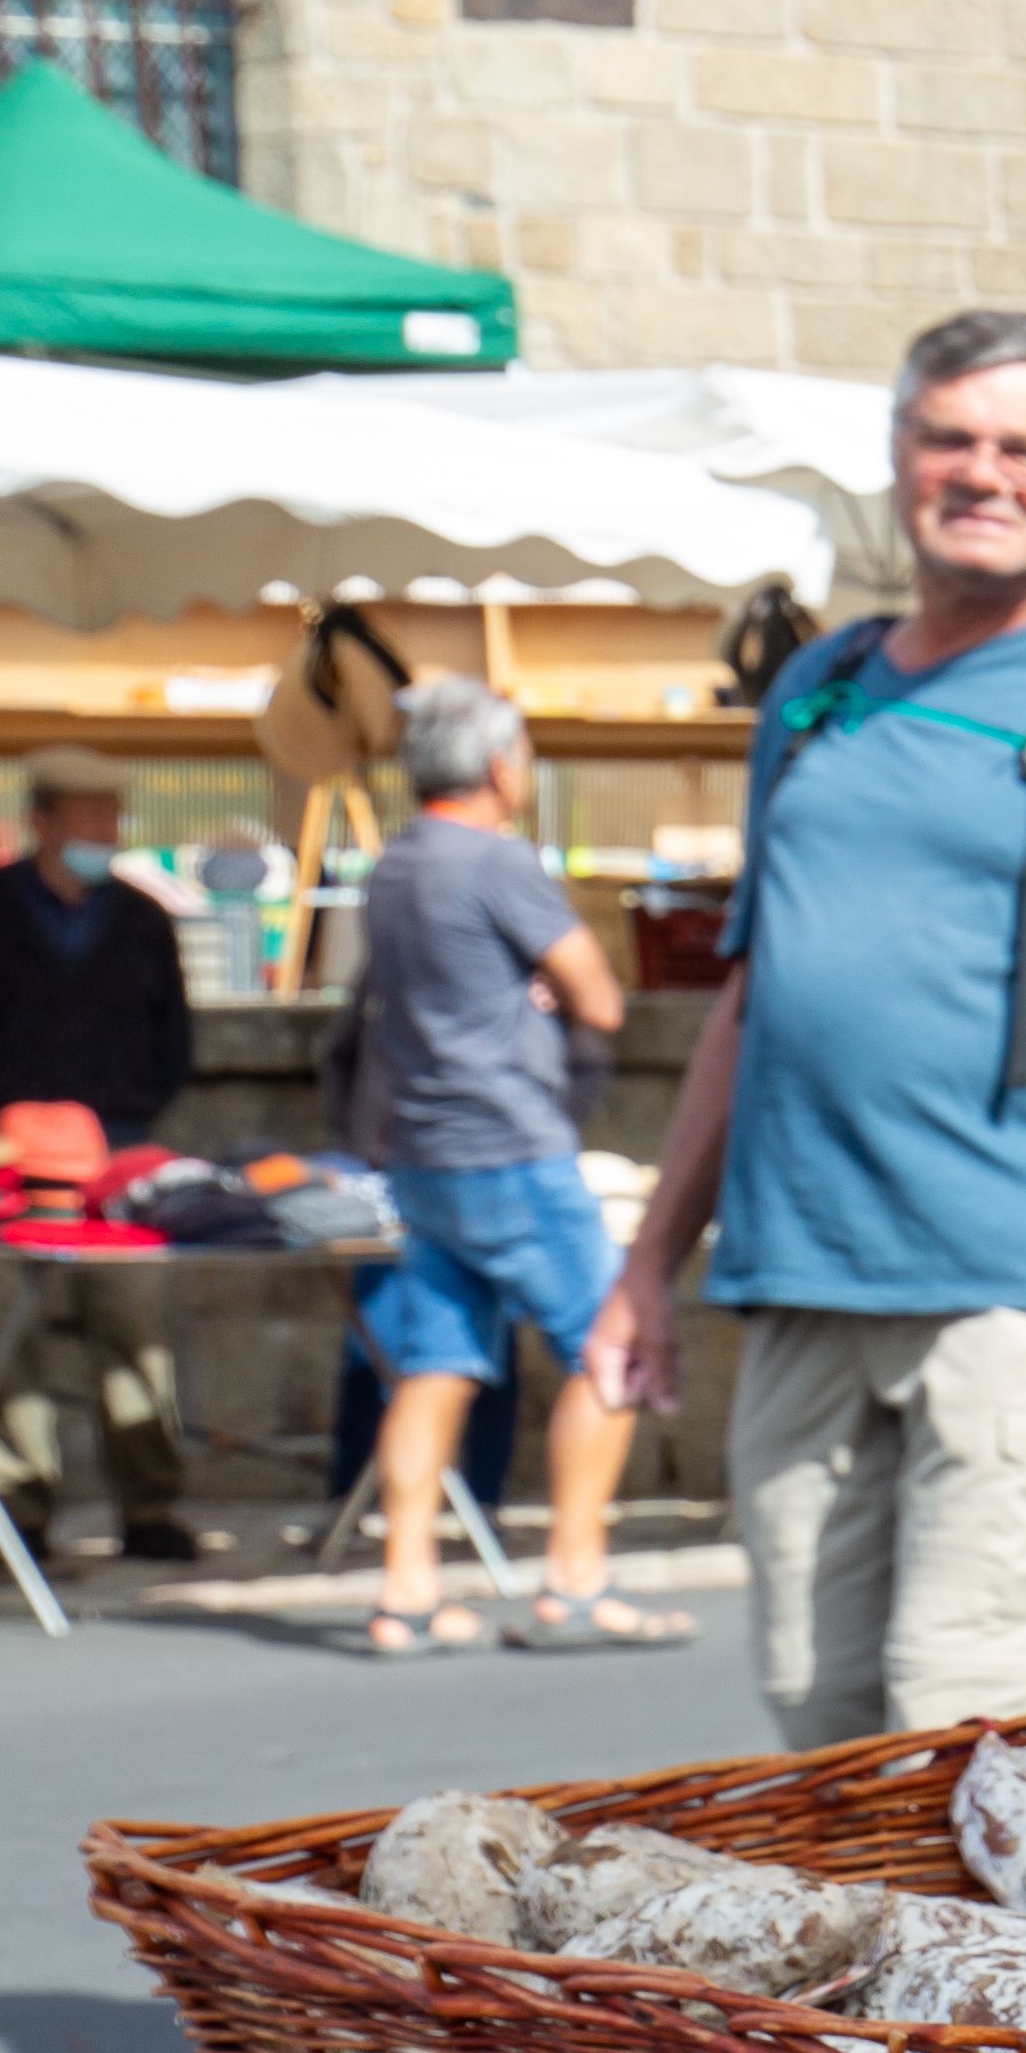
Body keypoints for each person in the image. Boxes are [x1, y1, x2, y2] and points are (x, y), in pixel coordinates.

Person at [588, 311, 1026, 1746]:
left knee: (977, 1726)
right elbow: (751, 998)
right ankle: (867, 1982)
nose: (983, 472)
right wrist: (651, 1260)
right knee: (819, 1720)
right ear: (899, 461)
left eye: (1022, 446)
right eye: (949, 438)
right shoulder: (819, 689)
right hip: (802, 1272)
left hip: (1019, 1285)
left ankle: (993, 1985)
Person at [341, 676, 683, 1658]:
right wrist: (540, 987)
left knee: (437, 1361)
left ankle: (406, 1588)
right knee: (608, 1347)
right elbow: (601, 996)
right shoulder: (496, 863)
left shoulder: (395, 865)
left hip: (422, 1148)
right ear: (499, 765)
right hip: (512, 1145)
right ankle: (576, 1575)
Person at [0, 742, 192, 1558]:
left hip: (113, 1158)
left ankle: (149, 1506)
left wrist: (125, 1117)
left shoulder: (140, 918)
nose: (106, 830)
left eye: (112, 816)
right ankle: (19, 1512)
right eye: (90, 816)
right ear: (44, 822)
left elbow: (173, 1039)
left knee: (133, 1331)